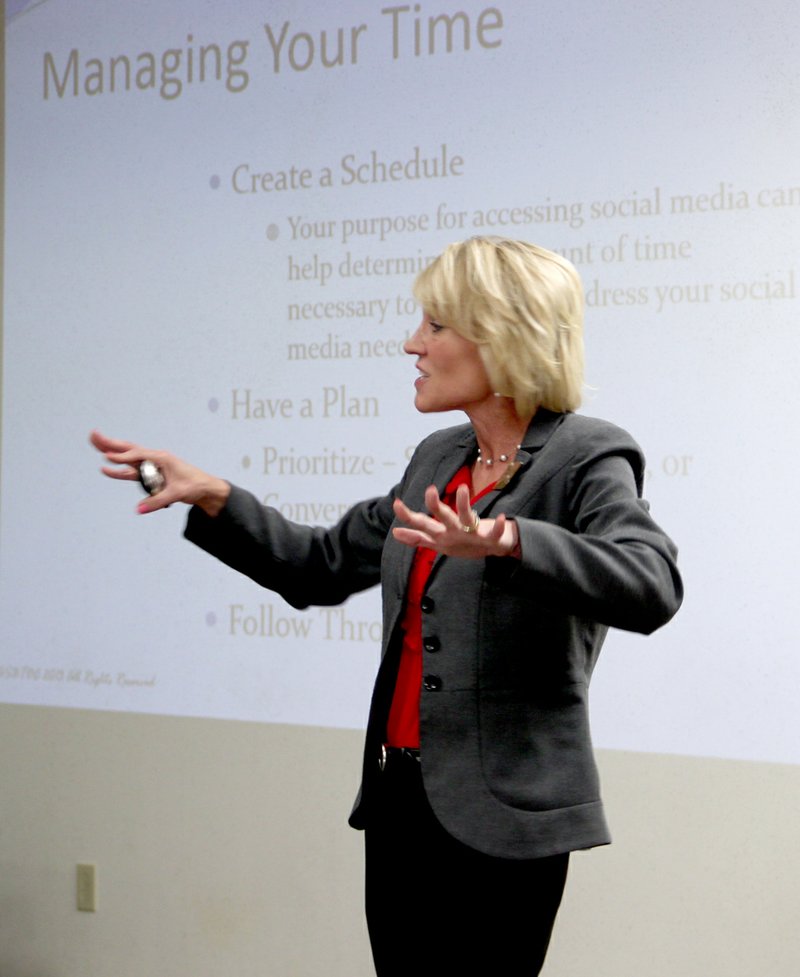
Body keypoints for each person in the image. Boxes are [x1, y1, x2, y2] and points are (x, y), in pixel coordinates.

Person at [91, 236, 682, 976]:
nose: (412, 343)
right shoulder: (438, 457)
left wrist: (505, 539)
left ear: (500, 334)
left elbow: (650, 582)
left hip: (503, 818)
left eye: (435, 326)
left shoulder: (585, 456)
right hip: (402, 805)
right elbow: (320, 564)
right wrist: (216, 496)